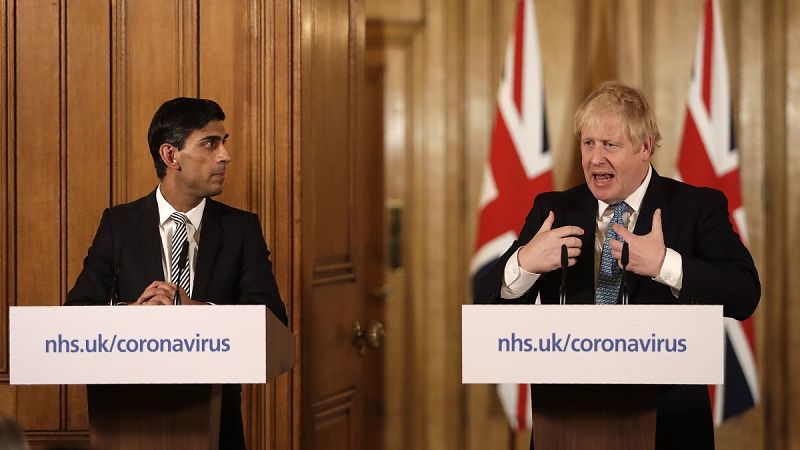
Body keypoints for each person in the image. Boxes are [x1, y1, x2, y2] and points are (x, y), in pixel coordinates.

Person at [475, 81, 760, 449]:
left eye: (610, 145)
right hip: (567, 424)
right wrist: (525, 263)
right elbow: (487, 306)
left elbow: (744, 293)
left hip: (668, 426)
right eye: (588, 143)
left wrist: (665, 264)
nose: (595, 159)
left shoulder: (696, 208)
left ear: (645, 147)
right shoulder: (554, 210)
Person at [66, 97, 288, 450]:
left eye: (224, 142)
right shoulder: (118, 224)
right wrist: (133, 314)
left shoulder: (241, 229)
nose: (225, 155)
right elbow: (76, 314)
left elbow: (273, 319)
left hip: (217, 421)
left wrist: (195, 309)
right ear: (171, 156)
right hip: (129, 419)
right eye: (210, 143)